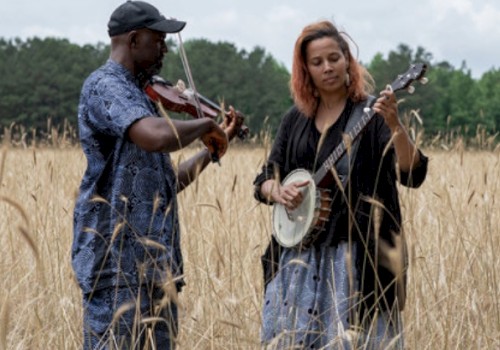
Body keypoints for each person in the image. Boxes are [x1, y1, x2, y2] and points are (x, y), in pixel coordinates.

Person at [71, 1, 243, 349]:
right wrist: (207, 124)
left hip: (157, 269)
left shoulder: (143, 95)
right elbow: (154, 136)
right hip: (116, 268)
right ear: (134, 40)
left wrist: (213, 150)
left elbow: (166, 183)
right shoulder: (105, 86)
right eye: (158, 38)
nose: (164, 46)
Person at [253, 20, 428, 349]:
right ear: (305, 69)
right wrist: (275, 190)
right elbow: (264, 178)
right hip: (297, 263)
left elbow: (412, 174)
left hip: (356, 263)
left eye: (334, 58)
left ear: (348, 59)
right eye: (317, 62)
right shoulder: (295, 119)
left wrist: (394, 124)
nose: (327, 67)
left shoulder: (373, 113)